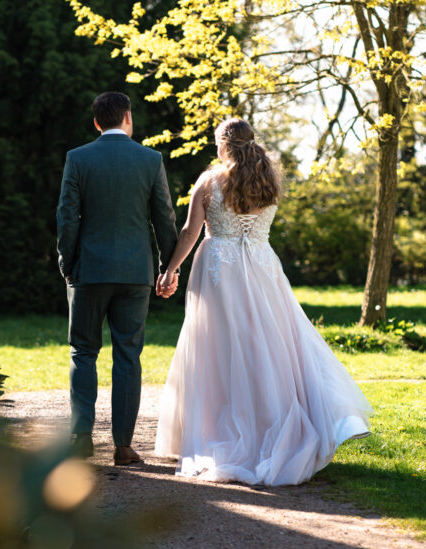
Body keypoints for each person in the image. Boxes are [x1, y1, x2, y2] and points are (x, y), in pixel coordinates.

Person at [154, 118, 372, 486]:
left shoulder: (209, 181)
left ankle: (223, 431)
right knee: (269, 345)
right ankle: (275, 422)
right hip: (261, 265)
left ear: (222, 143)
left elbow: (191, 231)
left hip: (220, 270)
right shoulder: (267, 179)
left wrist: (170, 269)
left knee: (219, 349)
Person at [56, 91, 178, 465]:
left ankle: (81, 439)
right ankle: (124, 446)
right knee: (129, 355)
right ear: (128, 117)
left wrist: (68, 263)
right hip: (134, 274)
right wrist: (168, 268)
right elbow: (164, 218)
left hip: (88, 272)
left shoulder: (78, 158)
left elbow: (66, 217)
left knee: (83, 352)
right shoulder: (150, 159)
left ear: (96, 122)